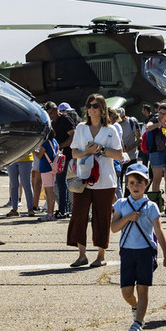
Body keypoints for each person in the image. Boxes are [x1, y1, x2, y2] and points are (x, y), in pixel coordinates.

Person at [111, 162, 166, 331]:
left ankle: (138, 323)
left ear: (147, 183)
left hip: (145, 252)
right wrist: (127, 218)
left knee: (143, 290)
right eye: (131, 183)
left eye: (139, 182)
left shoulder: (151, 206)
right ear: (126, 184)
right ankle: (136, 308)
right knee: (127, 292)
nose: (135, 186)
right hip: (127, 252)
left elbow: (159, 231)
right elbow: (113, 228)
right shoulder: (121, 204)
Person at [67, 93, 124, 268]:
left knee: (102, 218)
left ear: (102, 109)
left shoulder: (111, 130)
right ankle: (81, 255)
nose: (91, 109)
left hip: (105, 181)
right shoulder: (81, 128)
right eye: (89, 105)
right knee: (78, 215)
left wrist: (101, 149)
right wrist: (88, 152)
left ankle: (101, 255)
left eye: (95, 106)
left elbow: (120, 156)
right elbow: (74, 153)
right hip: (84, 179)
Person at [46, 102, 76, 218]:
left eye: (52, 113)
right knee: (60, 183)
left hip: (69, 156)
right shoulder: (53, 123)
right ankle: (64, 209)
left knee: (64, 183)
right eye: (48, 114)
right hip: (60, 157)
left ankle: (64, 209)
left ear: (56, 109)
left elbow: (72, 137)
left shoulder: (66, 119)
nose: (51, 115)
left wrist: (60, 146)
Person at [33, 132, 60, 221]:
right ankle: (50, 213)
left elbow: (39, 155)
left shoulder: (45, 143)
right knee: (51, 192)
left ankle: (50, 214)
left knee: (49, 193)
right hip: (53, 168)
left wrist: (33, 150)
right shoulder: (55, 141)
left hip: (46, 168)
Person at [6, 152, 34, 217]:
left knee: (26, 185)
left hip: (26, 158)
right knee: (13, 185)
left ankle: (30, 209)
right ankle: (14, 209)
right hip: (11, 159)